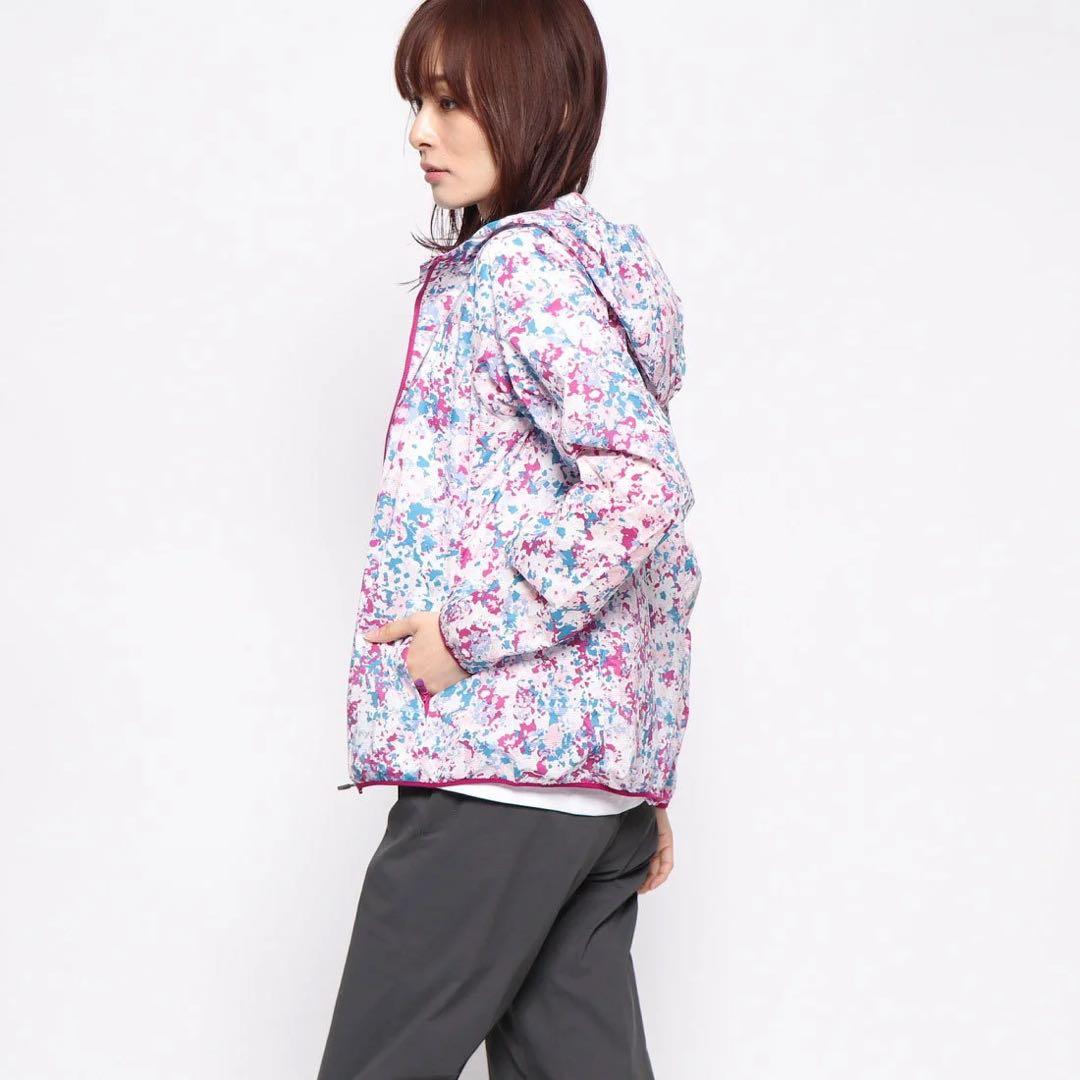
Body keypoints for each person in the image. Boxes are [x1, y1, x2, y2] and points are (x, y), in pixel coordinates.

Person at [318, 1, 702, 1076]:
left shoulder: (520, 272)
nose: (420, 132)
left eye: (451, 101)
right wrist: (630, 770)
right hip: (578, 792)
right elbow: (651, 552)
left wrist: (467, 632)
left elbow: (642, 488)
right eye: (417, 100)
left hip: (496, 780)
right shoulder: (574, 272)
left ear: (542, 106)